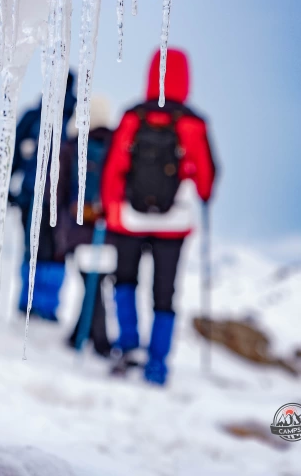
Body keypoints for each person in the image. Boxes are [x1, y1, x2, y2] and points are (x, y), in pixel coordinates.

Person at [101, 49, 217, 385]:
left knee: (125, 281)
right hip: (174, 223)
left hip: (129, 220)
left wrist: (111, 209)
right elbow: (207, 177)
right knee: (164, 293)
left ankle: (128, 347)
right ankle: (158, 364)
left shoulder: (132, 117)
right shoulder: (194, 124)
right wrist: (204, 195)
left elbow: (114, 170)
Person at [10, 72, 76, 320]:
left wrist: (9, 187)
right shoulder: (76, 117)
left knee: (34, 248)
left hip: (35, 195)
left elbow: (14, 153)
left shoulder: (35, 116)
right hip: (59, 201)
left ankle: (31, 304)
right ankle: (43, 305)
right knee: (54, 251)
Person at [57, 95, 114, 357]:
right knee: (96, 280)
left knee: (91, 280)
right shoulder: (116, 145)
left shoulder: (71, 146)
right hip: (109, 227)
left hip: (78, 227)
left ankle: (97, 341)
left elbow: (56, 190)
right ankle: (87, 337)